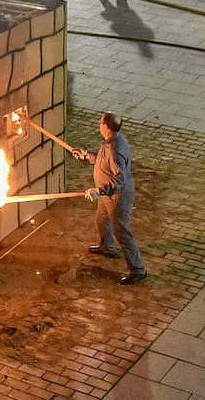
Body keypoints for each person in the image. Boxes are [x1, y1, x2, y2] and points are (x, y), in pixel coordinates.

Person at [72, 112, 146, 285]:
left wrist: (99, 190)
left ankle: (138, 269)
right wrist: (86, 155)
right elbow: (103, 161)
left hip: (116, 197)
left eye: (100, 122)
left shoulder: (114, 148)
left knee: (122, 231)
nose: (99, 124)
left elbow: (120, 178)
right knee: (101, 219)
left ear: (106, 126)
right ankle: (108, 248)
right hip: (107, 194)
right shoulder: (112, 142)